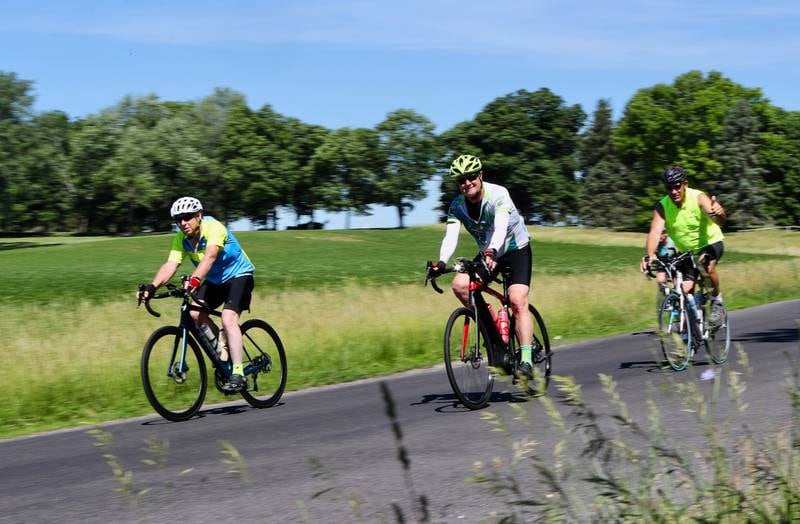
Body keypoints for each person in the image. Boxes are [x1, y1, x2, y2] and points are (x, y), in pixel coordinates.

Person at [429, 154, 536, 375]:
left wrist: (492, 250)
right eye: (461, 180)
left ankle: (526, 358)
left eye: (470, 177)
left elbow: (500, 226)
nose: (466, 183)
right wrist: (441, 262)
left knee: (517, 300)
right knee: (460, 285)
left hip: (515, 250)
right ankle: (491, 328)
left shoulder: (498, 194)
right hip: (489, 252)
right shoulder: (457, 206)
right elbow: (451, 237)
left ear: (480, 176)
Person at [137, 197, 255, 393]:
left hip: (239, 276)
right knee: (194, 315)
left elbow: (210, 257)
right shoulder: (181, 238)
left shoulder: (213, 228)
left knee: (228, 318)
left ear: (199, 216)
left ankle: (238, 373)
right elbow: (171, 265)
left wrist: (194, 280)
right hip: (216, 281)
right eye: (179, 219)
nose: (183, 223)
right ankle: (221, 348)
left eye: (187, 217)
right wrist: (152, 287)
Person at [639, 166, 727, 325]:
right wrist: (650, 255)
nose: (674, 191)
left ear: (685, 184)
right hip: (687, 251)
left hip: (710, 242)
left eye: (677, 186)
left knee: (707, 267)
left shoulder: (699, 197)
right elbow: (655, 232)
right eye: (669, 188)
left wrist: (719, 214)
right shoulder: (662, 206)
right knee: (685, 290)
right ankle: (693, 328)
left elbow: (719, 220)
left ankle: (717, 300)